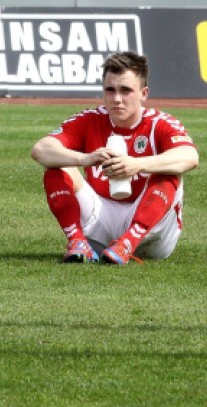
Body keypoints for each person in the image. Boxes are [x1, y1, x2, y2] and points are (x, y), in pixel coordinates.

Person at [31, 51, 199, 265]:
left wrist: (137, 165)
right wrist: (85, 159)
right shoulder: (90, 119)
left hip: (151, 235)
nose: (117, 99)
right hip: (100, 219)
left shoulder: (160, 123)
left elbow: (190, 156)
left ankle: (128, 243)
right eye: (110, 90)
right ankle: (77, 242)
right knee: (58, 168)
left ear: (144, 94)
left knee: (169, 173)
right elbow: (41, 149)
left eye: (126, 90)